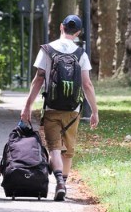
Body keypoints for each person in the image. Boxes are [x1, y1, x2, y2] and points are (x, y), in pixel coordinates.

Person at [20, 14, 98, 201]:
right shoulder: (81, 54)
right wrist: (94, 110)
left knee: (54, 148)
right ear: (78, 32)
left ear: (61, 27)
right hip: (73, 110)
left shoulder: (47, 50)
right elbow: (87, 84)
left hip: (52, 107)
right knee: (68, 151)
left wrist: (27, 106)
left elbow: (38, 79)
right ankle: (63, 182)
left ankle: (59, 183)